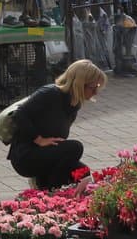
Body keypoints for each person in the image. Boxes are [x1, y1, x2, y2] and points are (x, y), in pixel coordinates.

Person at [7, 59, 107, 189]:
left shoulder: (74, 104)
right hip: (26, 154)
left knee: (83, 173)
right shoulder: (50, 93)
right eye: (93, 88)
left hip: (46, 154)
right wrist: (38, 139)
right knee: (76, 147)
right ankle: (50, 189)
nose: (95, 93)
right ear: (80, 84)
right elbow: (19, 114)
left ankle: (47, 189)